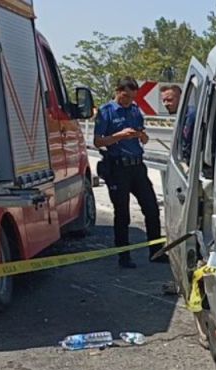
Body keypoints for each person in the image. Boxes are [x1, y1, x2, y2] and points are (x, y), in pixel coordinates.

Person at [94, 76, 163, 268]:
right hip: (118, 168)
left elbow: (144, 137)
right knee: (122, 213)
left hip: (137, 167)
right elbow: (98, 141)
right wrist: (119, 136)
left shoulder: (134, 110)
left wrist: (141, 135)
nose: (128, 101)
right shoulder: (106, 111)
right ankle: (124, 256)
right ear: (117, 92)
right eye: (125, 96)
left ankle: (156, 252)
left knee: (151, 209)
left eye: (132, 97)